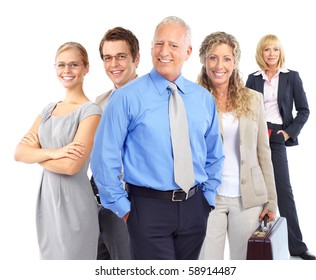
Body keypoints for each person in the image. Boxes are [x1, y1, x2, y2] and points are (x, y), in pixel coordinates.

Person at [90, 16, 224, 260]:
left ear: (188, 51)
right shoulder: (126, 98)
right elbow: (103, 158)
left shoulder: (203, 98)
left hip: (195, 208)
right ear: (151, 48)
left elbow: (214, 153)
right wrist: (123, 209)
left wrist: (207, 199)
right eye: (159, 44)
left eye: (173, 45)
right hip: (146, 209)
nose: (164, 52)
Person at [14, 42, 102, 260]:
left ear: (86, 68)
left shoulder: (91, 111)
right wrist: (54, 153)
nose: (67, 71)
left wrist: (36, 154)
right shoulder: (48, 110)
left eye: (74, 64)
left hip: (75, 205)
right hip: (47, 202)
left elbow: (71, 166)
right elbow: (18, 152)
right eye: (61, 65)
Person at [196, 31, 277, 260]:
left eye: (226, 58)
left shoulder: (253, 99)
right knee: (206, 265)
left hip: (249, 198)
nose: (219, 65)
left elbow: (264, 152)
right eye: (212, 57)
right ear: (204, 61)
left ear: (235, 62)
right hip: (207, 198)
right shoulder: (193, 99)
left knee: (244, 263)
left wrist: (271, 200)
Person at [245, 34, 315, 260]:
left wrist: (287, 133)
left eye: (275, 49)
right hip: (254, 134)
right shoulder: (252, 78)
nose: (271, 54)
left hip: (276, 136)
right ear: (261, 53)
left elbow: (304, 110)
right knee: (255, 187)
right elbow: (245, 109)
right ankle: (256, 242)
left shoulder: (291, 77)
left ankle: (297, 246)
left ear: (280, 52)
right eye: (267, 50)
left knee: (283, 190)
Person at [90, 26, 140, 260]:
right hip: (96, 203)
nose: (114, 64)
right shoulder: (100, 102)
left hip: (130, 203)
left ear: (136, 58)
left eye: (121, 56)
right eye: (108, 58)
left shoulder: (154, 97)